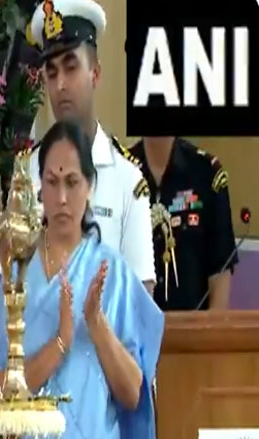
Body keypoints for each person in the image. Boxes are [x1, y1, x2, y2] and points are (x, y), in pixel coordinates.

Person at [0, 122, 164, 439]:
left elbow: (133, 394)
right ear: (39, 189)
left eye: (72, 182)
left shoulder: (111, 272)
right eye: (52, 182)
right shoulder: (17, 270)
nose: (62, 198)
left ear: (90, 187)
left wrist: (97, 325)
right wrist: (60, 344)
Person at [25, 0, 156, 293]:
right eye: (52, 73)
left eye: (71, 68)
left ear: (95, 74)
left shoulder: (127, 179)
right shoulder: (28, 173)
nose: (60, 85)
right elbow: (12, 285)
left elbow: (141, 295)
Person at [129, 137, 237, 310]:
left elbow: (220, 270)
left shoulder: (207, 172)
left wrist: (213, 326)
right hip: (132, 324)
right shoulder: (120, 169)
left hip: (194, 324)